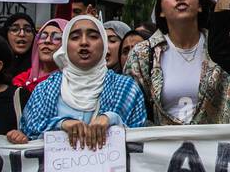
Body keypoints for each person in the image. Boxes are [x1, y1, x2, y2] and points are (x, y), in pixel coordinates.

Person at [124, 0, 230, 125]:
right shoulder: (143, 54)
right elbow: (129, 113)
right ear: (161, 10)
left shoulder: (227, 47)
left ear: (200, 6)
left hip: (219, 148)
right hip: (165, 148)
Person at [12, 15, 147, 144]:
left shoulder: (127, 88)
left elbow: (142, 143)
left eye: (93, 36)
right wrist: (61, 124)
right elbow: (29, 132)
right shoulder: (44, 89)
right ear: (65, 45)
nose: (84, 42)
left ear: (104, 45)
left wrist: (111, 119)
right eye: (75, 37)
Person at [13, 19, 65, 92]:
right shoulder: (22, 79)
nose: (47, 41)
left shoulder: (68, 82)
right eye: (43, 36)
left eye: (56, 38)